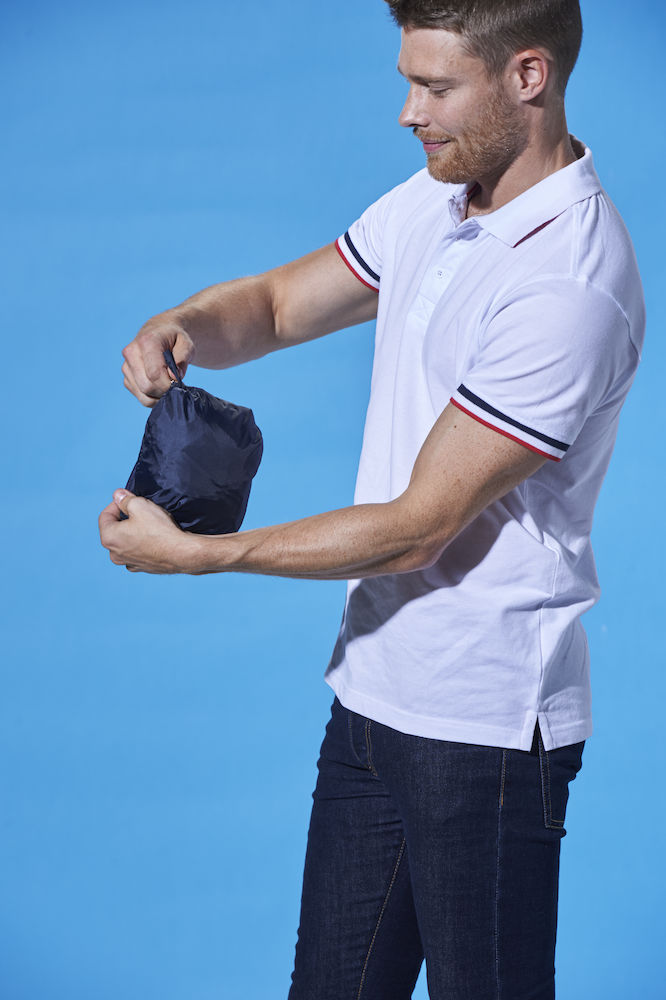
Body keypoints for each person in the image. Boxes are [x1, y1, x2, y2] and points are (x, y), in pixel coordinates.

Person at [99, 0, 645, 996]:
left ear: (528, 76)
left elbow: (416, 528)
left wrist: (203, 555)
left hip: (483, 733)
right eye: (408, 83)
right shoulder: (436, 202)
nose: (408, 112)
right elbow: (274, 306)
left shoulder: (567, 282)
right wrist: (182, 323)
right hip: (373, 693)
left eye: (436, 87)